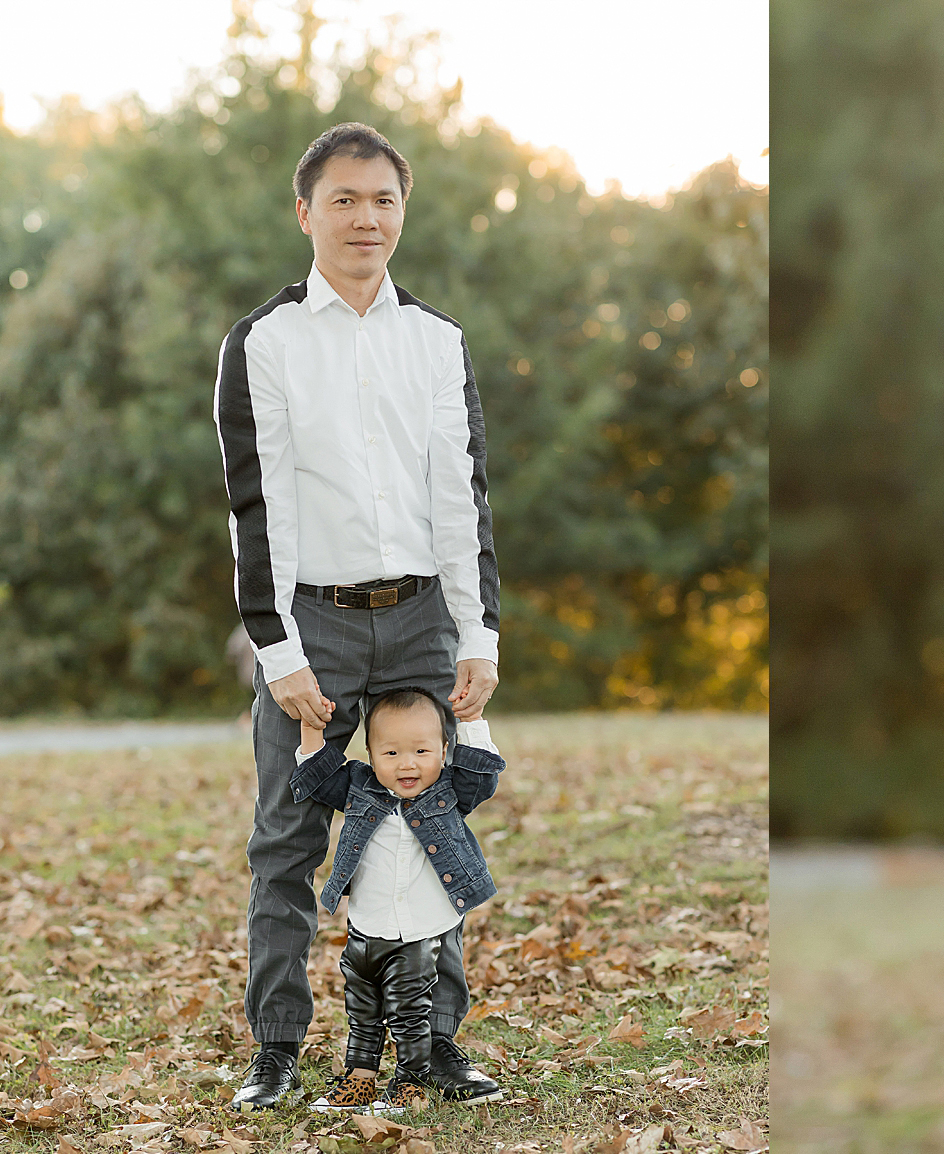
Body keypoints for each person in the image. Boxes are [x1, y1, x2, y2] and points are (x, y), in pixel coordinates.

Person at [215, 122, 504, 1110]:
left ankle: (433, 1046)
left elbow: (463, 495)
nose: (365, 218)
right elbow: (257, 509)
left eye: (382, 199)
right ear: (306, 212)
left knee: (434, 827)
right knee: (288, 839)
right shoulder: (263, 342)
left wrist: (478, 632)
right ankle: (280, 1047)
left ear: (401, 211)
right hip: (316, 624)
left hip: (422, 616)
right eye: (344, 198)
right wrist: (277, 647)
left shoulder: (438, 342)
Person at [290, 689, 507, 1114]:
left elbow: (482, 777)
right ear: (370, 754)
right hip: (367, 927)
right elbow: (320, 776)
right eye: (390, 752)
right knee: (363, 1009)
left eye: (422, 751)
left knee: (409, 1013)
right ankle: (359, 1080)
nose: (407, 764)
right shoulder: (360, 786)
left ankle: (410, 1082)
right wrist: (312, 730)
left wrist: (474, 719)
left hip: (420, 931)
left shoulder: (448, 790)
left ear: (445, 751)